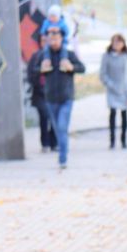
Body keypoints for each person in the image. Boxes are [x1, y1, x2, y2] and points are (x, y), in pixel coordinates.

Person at [31, 25, 85, 169]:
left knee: (62, 127)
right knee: (57, 129)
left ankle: (63, 158)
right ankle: (62, 153)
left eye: (56, 38)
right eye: (51, 38)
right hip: (50, 98)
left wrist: (71, 67)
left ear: (61, 39)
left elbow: (82, 68)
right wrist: (41, 69)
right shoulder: (43, 56)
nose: (54, 41)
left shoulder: (68, 55)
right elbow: (34, 70)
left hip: (66, 97)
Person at [99, 33, 127, 148]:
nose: (117, 44)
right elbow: (103, 74)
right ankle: (112, 140)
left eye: (119, 42)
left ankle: (123, 140)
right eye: (115, 42)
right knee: (112, 113)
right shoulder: (107, 56)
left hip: (125, 90)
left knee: (124, 114)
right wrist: (111, 84)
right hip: (112, 89)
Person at [26, 34, 57, 153]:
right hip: (40, 93)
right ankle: (45, 143)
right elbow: (31, 73)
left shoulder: (57, 55)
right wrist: (41, 71)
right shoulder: (36, 56)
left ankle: (54, 142)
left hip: (54, 93)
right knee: (44, 117)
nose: (46, 43)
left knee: (54, 118)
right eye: (43, 41)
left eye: (48, 41)